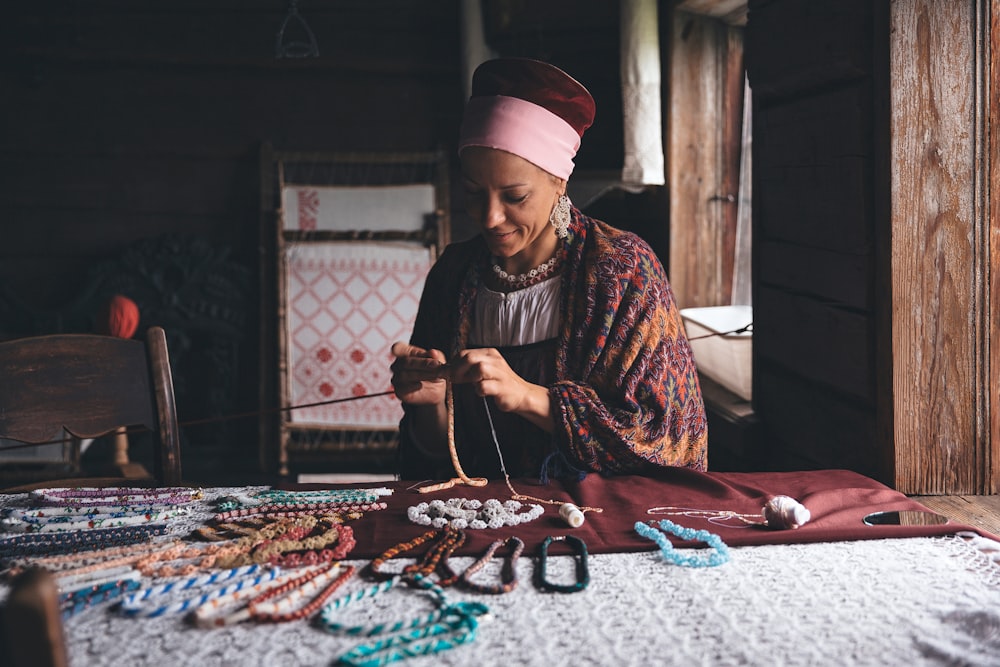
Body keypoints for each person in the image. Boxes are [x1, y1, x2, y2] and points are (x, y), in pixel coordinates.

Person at [390, 57, 707, 482]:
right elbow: (436, 461)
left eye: (515, 196)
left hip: (594, 530)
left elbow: (670, 440)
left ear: (560, 181)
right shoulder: (454, 275)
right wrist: (429, 404)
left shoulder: (623, 272)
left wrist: (526, 397)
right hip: (481, 520)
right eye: (472, 192)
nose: (489, 217)